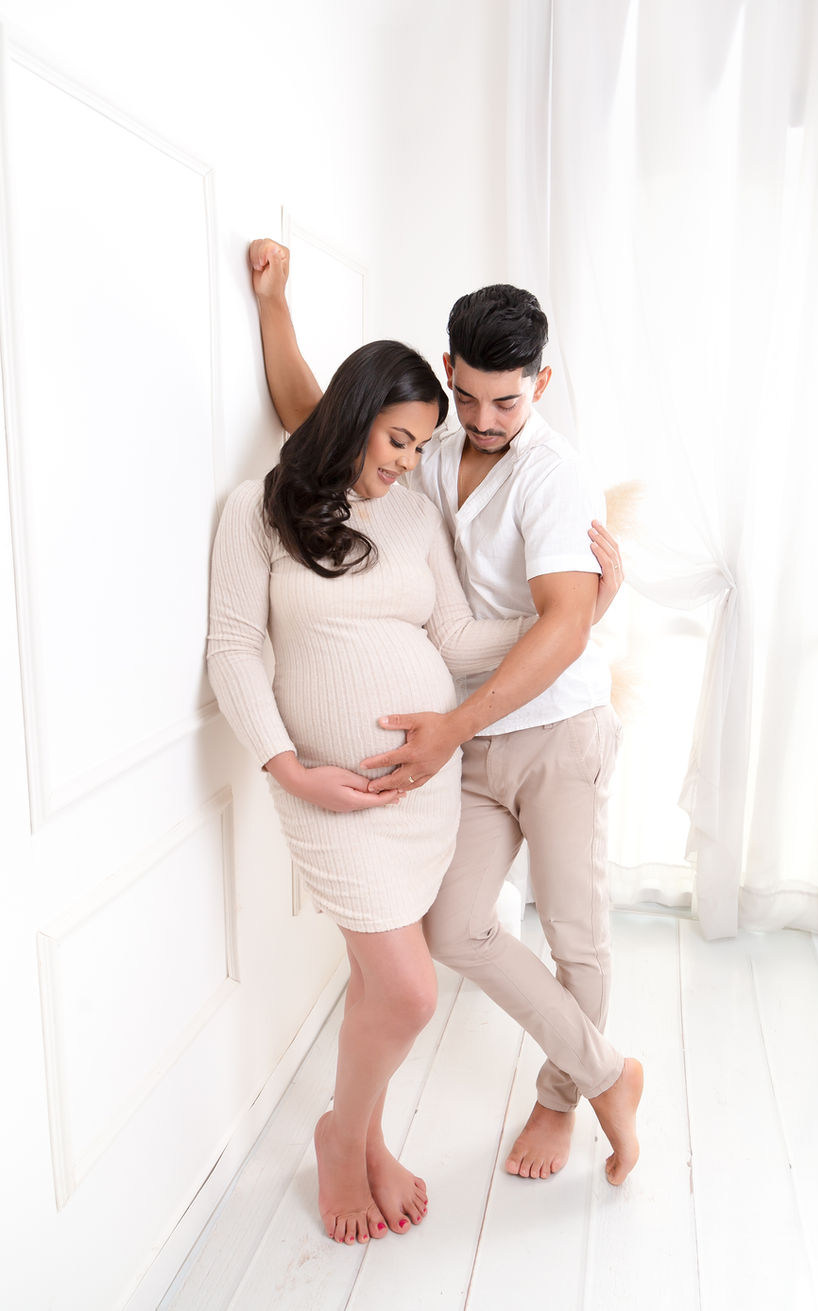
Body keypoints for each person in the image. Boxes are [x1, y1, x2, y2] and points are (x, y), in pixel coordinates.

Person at [249, 239, 643, 1189]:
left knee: (575, 934)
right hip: (468, 736)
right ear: (448, 368)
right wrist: (275, 303)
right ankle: (609, 1073)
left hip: (553, 733)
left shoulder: (554, 477)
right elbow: (317, 418)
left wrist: (456, 727)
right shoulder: (432, 442)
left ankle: (561, 1100)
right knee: (453, 927)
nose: (484, 418)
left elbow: (559, 629)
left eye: (506, 399)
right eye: (467, 395)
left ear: (541, 380)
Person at [207, 340, 537, 1245]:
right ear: (354, 415)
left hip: (418, 789)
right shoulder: (258, 510)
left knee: (373, 990)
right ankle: (340, 1140)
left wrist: (566, 613)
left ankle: (366, 1137)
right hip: (329, 791)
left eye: (421, 446)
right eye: (398, 438)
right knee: (408, 993)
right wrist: (286, 764)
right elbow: (234, 646)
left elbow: (459, 639)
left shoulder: (413, 518)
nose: (408, 461)